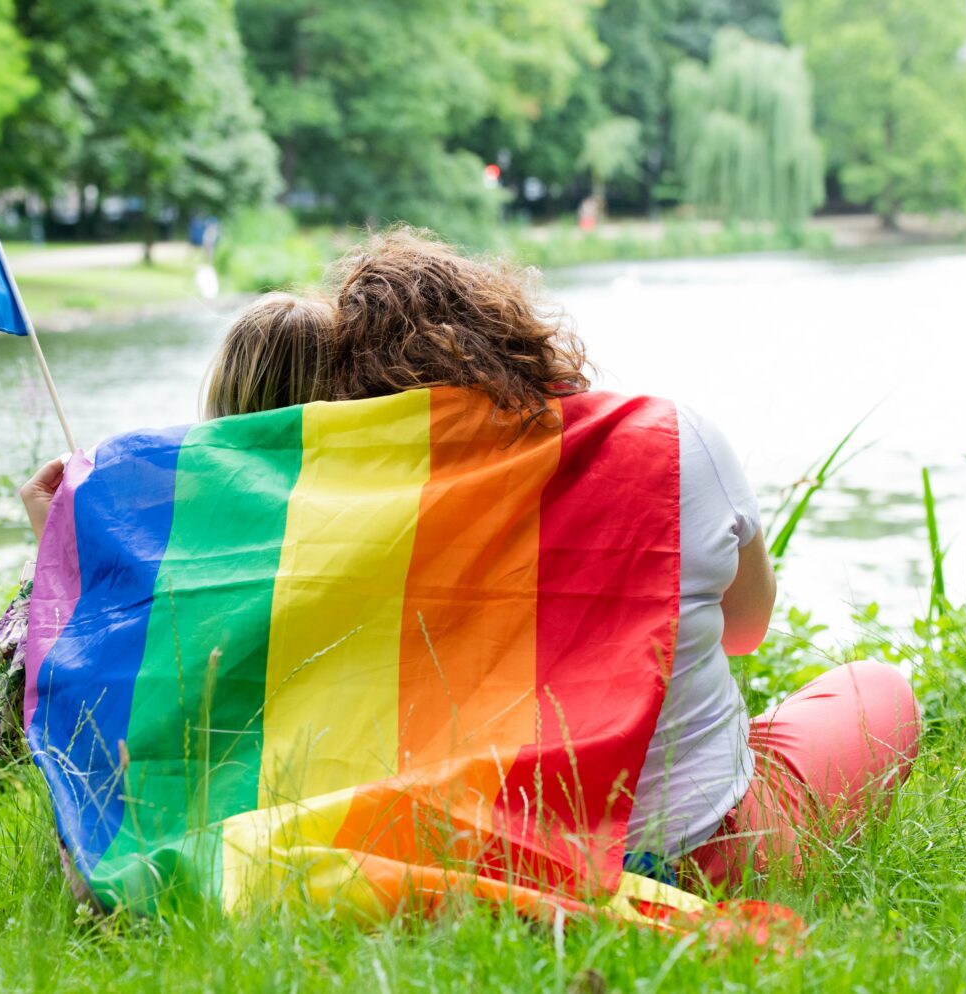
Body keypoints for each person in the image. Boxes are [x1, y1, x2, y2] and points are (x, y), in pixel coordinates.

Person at [324, 229, 921, 889]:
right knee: (878, 692)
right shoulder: (667, 437)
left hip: (467, 854)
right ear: (510, 334)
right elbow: (746, 629)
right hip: (699, 857)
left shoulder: (346, 510)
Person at [0, 292, 337, 756]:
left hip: (185, 803)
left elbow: (16, 725)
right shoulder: (367, 513)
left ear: (222, 392)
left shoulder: (168, 529)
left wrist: (58, 551)